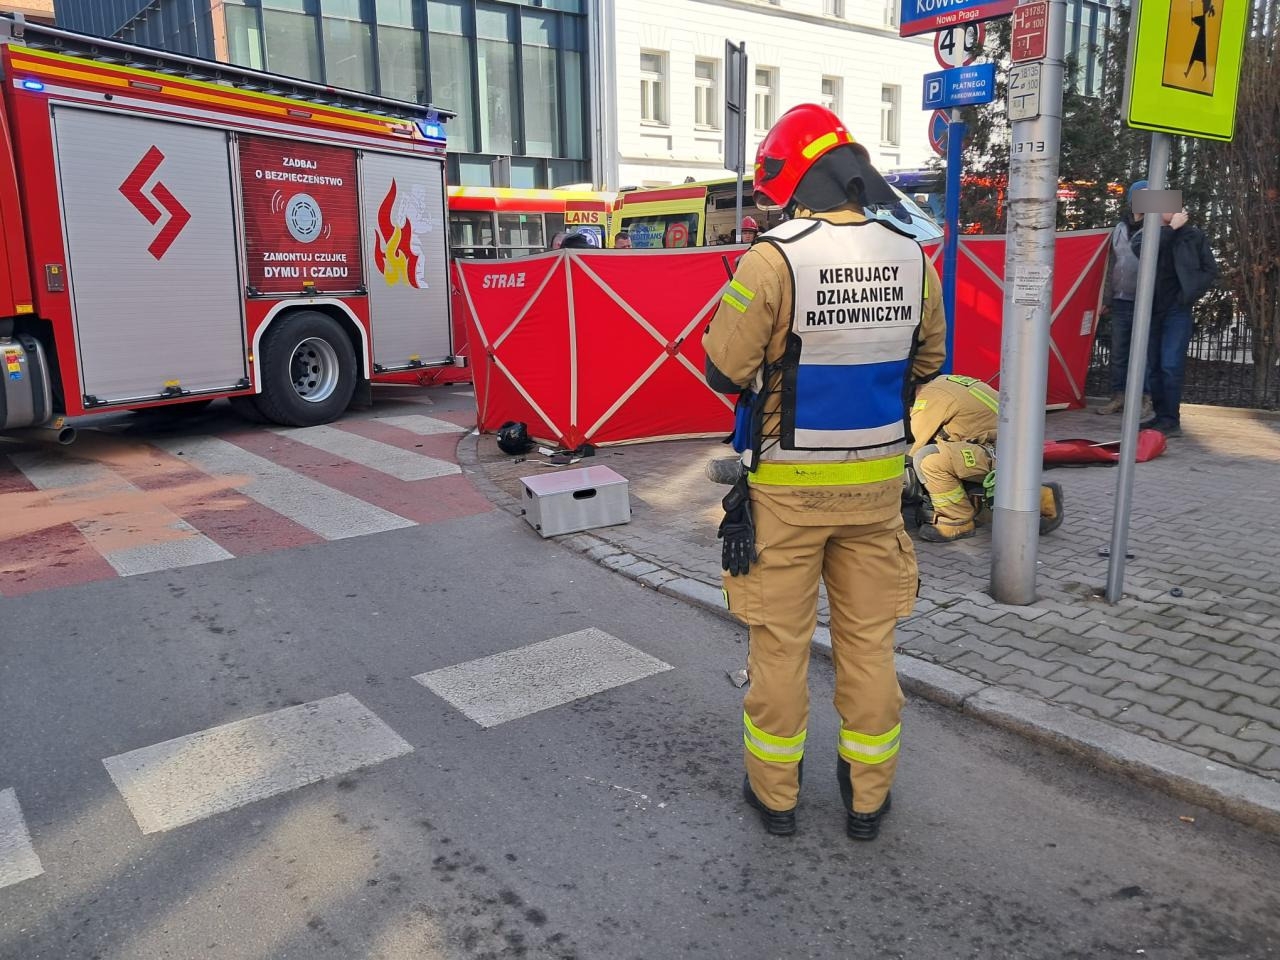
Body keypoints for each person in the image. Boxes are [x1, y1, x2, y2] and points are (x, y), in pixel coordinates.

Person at [702, 103, 946, 841]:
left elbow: (722, 368)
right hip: (877, 489)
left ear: (794, 181)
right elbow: (930, 362)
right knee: (870, 645)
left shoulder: (772, 259)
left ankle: (775, 798)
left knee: (778, 646)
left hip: (786, 493)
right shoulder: (913, 256)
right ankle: (867, 799)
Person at [909, 374, 1063, 543]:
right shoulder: (945, 382)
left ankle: (956, 521)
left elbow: (916, 447)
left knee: (928, 459)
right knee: (949, 453)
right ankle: (1041, 496)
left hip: (1001, 453)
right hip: (1013, 451)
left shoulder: (929, 397)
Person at [1130, 204, 1218, 438]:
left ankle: (1171, 420)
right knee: (1154, 366)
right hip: (1152, 308)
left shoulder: (1193, 236)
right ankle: (1161, 416)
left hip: (1177, 309)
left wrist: (1188, 293)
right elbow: (1144, 253)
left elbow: (1210, 270)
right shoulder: (1145, 235)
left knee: (1170, 365)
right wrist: (1170, 230)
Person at [1096, 181, 1153, 420]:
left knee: (1144, 352)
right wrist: (1106, 298)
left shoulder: (1156, 227)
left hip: (1145, 301)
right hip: (1120, 300)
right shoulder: (1119, 228)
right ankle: (1118, 396)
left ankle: (1144, 398)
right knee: (1118, 352)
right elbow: (1110, 265)